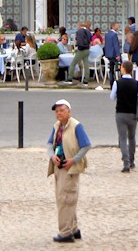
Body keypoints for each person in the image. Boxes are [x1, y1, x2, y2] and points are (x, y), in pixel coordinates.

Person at [47, 99, 91, 243]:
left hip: (69, 168)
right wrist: (52, 156)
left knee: (66, 200)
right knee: (65, 198)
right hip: (59, 166)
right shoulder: (57, 126)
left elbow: (86, 145)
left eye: (61, 110)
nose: (58, 113)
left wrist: (74, 160)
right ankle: (73, 229)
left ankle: (65, 232)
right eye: (57, 111)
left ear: (69, 112)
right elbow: (49, 143)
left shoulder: (76, 126)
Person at [110, 60, 138, 172]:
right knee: (132, 137)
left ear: (123, 69)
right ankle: (132, 160)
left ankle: (126, 162)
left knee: (123, 138)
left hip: (120, 113)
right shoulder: (136, 83)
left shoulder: (117, 83)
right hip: (132, 113)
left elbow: (112, 97)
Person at [104, 22, 121, 88]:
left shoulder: (107, 34)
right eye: (117, 26)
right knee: (117, 68)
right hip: (113, 54)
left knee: (111, 69)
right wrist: (118, 54)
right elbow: (115, 45)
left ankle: (111, 83)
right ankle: (117, 82)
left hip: (108, 54)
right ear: (113, 26)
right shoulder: (114, 35)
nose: (118, 27)